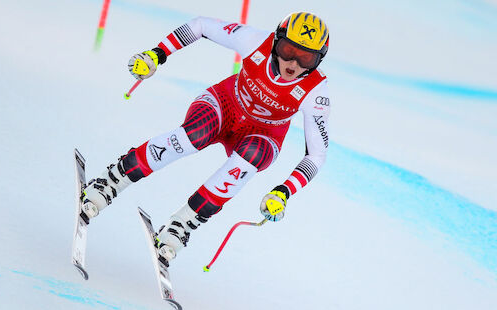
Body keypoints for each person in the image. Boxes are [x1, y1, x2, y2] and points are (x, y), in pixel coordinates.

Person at [81, 12, 331, 266]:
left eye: (306, 58)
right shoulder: (255, 41)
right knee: (194, 135)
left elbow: (316, 155)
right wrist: (157, 54)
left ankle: (181, 225)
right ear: (276, 41)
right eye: (288, 50)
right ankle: (110, 181)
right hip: (225, 105)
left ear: (318, 60)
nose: (293, 64)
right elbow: (201, 25)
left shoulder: (316, 92)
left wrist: (284, 192)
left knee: (252, 157)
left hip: (262, 134)